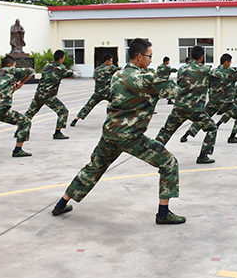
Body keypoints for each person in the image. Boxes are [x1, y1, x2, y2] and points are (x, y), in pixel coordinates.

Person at [50, 38, 185, 224]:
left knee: (93, 168)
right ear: (139, 56)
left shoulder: (117, 75)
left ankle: (61, 204)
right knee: (169, 163)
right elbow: (178, 92)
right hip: (131, 136)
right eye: (149, 56)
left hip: (110, 133)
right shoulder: (147, 78)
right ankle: (163, 214)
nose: (151, 60)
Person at [156, 45, 218, 164]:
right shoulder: (206, 70)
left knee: (166, 131)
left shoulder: (182, 69)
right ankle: (203, 156)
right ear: (202, 57)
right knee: (212, 128)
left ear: (190, 55)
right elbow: (216, 80)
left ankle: (153, 153)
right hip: (196, 110)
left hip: (179, 107)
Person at [181, 53, 237, 144]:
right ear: (226, 62)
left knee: (201, 118)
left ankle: (186, 135)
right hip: (226, 103)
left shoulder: (213, 72)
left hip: (213, 102)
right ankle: (232, 137)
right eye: (230, 62)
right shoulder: (231, 72)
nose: (230, 64)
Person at [24, 50, 78, 140]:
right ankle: (58, 133)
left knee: (30, 113)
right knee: (63, 111)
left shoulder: (47, 66)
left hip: (38, 94)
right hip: (48, 95)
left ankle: (20, 130)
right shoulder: (60, 68)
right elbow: (74, 75)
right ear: (61, 59)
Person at [70, 54, 120, 127]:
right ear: (107, 61)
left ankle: (75, 120)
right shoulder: (111, 68)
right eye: (111, 61)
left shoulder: (97, 70)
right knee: (117, 105)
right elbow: (120, 71)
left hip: (97, 93)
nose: (111, 63)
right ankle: (116, 121)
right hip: (107, 93)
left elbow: (95, 77)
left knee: (88, 106)